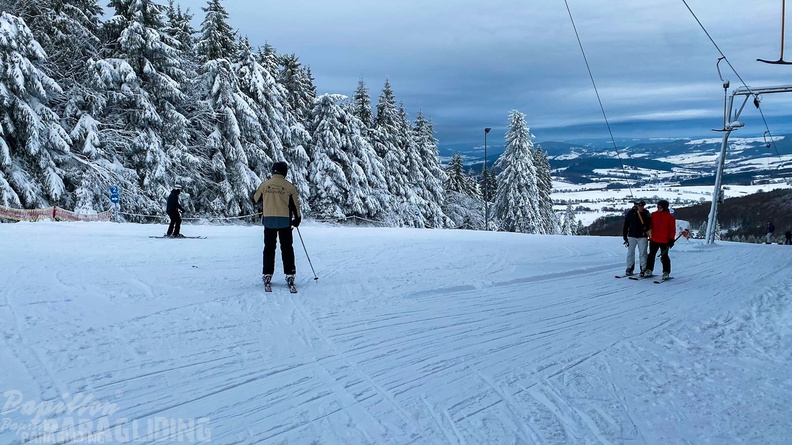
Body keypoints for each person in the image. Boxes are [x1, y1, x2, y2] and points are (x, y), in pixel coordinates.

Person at [252, 161, 302, 286]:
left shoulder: (265, 185)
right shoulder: (289, 187)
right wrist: (297, 218)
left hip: (269, 221)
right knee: (287, 248)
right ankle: (290, 274)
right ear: (285, 172)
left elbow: (255, 200)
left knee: (269, 249)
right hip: (284, 221)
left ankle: (267, 274)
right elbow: (295, 205)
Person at [642, 199, 676, 280]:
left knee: (664, 257)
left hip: (665, 240)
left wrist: (671, 239)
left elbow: (672, 229)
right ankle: (649, 270)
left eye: (660, 207)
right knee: (651, 256)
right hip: (654, 239)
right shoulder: (654, 215)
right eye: (657, 207)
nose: (658, 208)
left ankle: (666, 272)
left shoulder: (670, 217)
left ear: (664, 207)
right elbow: (650, 225)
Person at [622, 200, 651, 276]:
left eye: (643, 206)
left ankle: (643, 269)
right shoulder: (631, 213)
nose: (642, 207)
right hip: (631, 236)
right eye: (640, 206)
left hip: (643, 236)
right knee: (630, 253)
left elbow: (649, 224)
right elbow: (626, 225)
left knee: (643, 253)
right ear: (636, 206)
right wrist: (625, 237)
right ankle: (629, 268)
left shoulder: (646, 213)